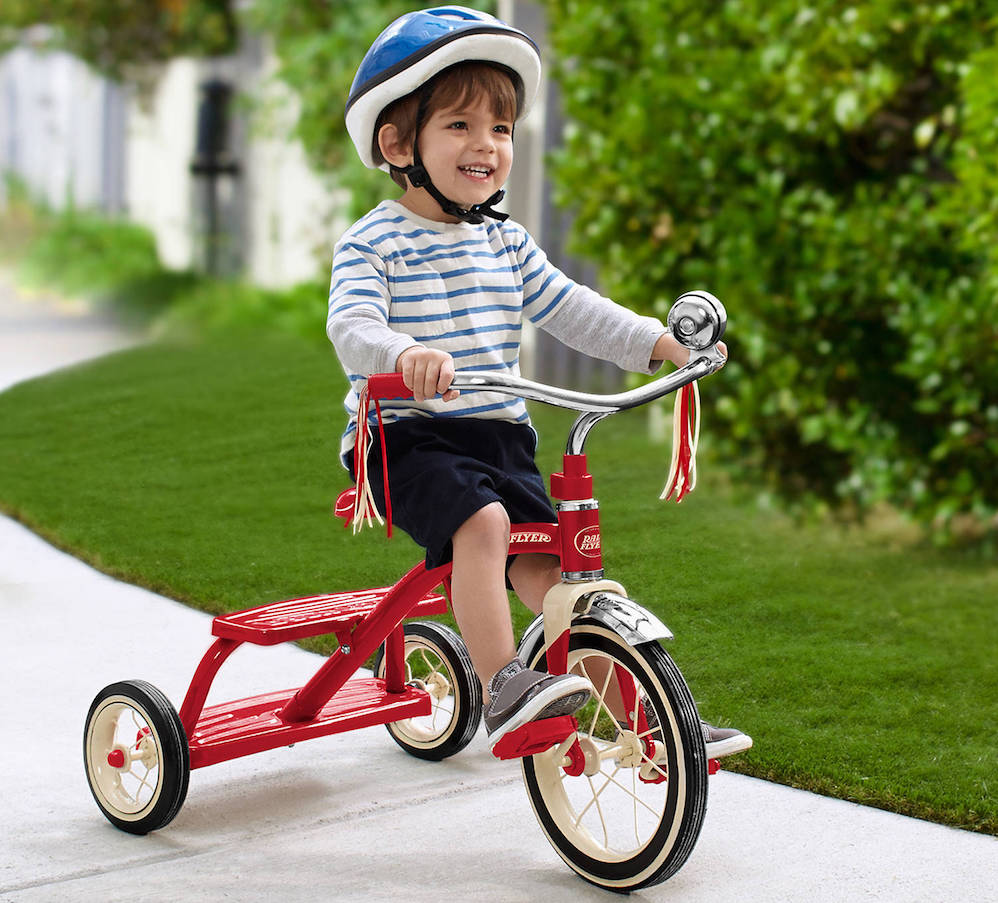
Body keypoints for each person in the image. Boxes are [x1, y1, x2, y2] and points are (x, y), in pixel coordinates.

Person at [328, 6, 751, 758]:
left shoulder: (505, 241)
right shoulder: (374, 241)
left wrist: (658, 343)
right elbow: (352, 327)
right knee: (483, 527)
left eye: (500, 128)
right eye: (459, 125)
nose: (485, 144)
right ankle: (503, 687)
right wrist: (404, 355)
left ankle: (651, 722)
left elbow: (573, 309)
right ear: (399, 143)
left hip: (497, 436)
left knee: (559, 573)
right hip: (403, 439)